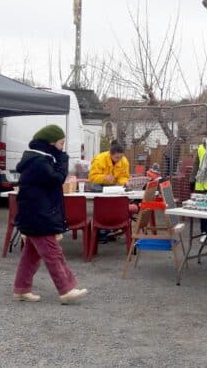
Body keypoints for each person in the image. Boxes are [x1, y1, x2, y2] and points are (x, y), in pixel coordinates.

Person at [13, 125, 88, 304]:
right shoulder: (39, 162)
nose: (63, 147)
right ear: (51, 143)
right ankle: (66, 289)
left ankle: (21, 288)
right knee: (53, 254)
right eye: (61, 143)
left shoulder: (38, 159)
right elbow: (57, 179)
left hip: (35, 214)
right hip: (39, 216)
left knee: (31, 256)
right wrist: (62, 160)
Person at [88, 140, 132, 242]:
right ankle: (101, 229)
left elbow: (123, 176)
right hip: (99, 185)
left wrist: (125, 182)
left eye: (121, 157)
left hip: (113, 186)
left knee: (116, 202)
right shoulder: (99, 159)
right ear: (110, 154)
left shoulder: (124, 161)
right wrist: (104, 178)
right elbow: (92, 177)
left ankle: (112, 227)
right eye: (117, 157)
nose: (119, 159)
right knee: (103, 205)